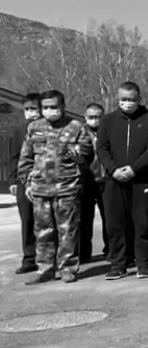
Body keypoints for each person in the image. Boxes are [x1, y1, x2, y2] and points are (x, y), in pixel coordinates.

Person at [18, 90, 93, 284]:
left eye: (54, 107)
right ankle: (45, 269)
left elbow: (86, 155)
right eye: (46, 107)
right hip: (40, 190)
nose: (50, 111)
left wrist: (76, 155)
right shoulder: (34, 128)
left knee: (68, 230)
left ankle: (68, 269)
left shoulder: (76, 127)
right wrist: (27, 182)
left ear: (62, 106)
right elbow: (26, 158)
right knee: (43, 231)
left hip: (67, 189)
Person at [97, 82, 148, 280]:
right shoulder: (107, 121)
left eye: (132, 99)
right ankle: (118, 264)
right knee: (115, 224)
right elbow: (101, 148)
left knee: (143, 223)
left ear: (139, 99)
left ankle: (143, 264)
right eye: (123, 99)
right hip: (114, 180)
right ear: (118, 99)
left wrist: (134, 169)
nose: (128, 103)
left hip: (141, 180)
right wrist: (113, 170)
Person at [9, 92, 41, 275]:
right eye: (27, 109)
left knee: (46, 221)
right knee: (27, 220)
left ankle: (49, 257)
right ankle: (29, 258)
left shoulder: (49, 129)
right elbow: (14, 157)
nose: (31, 113)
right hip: (24, 181)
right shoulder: (19, 130)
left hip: (45, 180)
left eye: (34, 109)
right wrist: (14, 180)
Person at [78, 103, 108, 264]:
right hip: (86, 180)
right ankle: (83, 253)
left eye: (98, 117)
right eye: (91, 117)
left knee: (109, 218)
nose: (95, 120)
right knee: (84, 218)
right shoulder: (79, 132)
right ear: (85, 117)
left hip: (105, 179)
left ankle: (111, 249)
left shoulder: (108, 131)